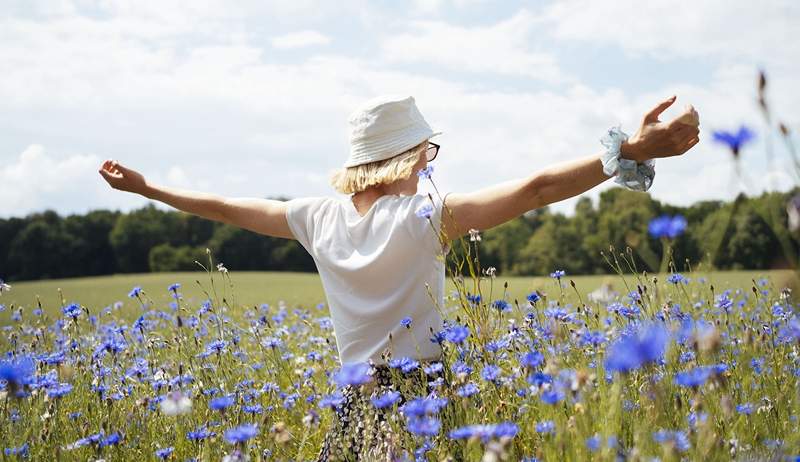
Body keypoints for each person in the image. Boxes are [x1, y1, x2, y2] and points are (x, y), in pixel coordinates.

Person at [98, 94, 700, 460]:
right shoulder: (425, 219)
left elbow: (225, 206)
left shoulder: (316, 216)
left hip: (357, 400)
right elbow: (537, 188)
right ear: (411, 157)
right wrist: (629, 151)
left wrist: (148, 187)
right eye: (427, 153)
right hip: (426, 395)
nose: (428, 165)